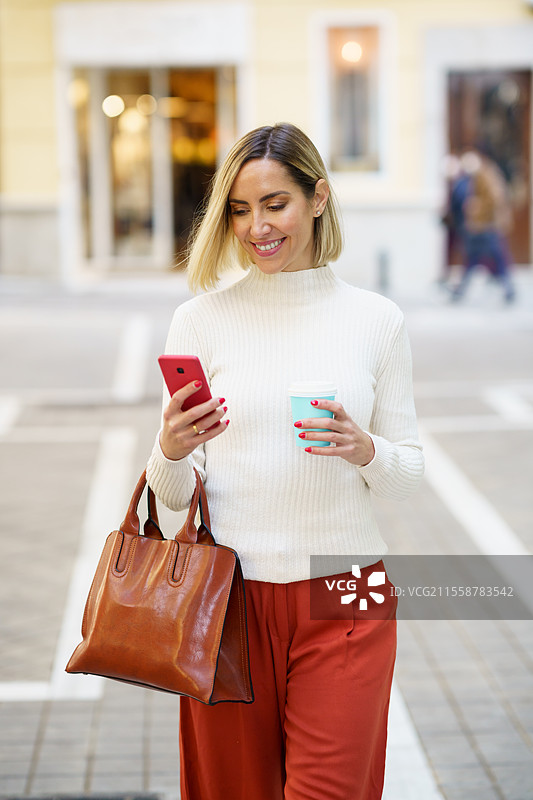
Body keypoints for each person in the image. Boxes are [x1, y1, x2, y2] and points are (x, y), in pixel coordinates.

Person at [146, 123, 424, 800]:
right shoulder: (200, 320)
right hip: (227, 601)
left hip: (345, 593)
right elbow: (173, 498)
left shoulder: (376, 319)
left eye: (275, 204)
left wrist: (365, 449)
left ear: (318, 197)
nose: (256, 227)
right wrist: (170, 449)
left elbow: (410, 476)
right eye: (240, 210)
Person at [450, 150, 515, 303]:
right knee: (479, 259)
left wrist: (476, 207)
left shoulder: (484, 175)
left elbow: (494, 198)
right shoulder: (484, 174)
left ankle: (508, 289)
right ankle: (508, 289)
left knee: (490, 258)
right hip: (484, 226)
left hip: (485, 226)